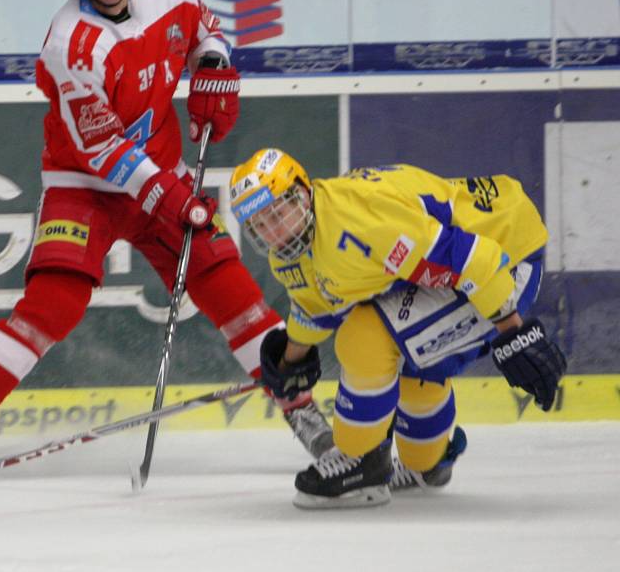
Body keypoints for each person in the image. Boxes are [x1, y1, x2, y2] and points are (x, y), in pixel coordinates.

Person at [0, 0, 333, 465]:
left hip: (162, 176)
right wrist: (167, 195)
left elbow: (208, 32)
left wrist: (212, 68)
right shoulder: (72, 46)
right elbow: (102, 150)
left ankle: (303, 411)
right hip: (85, 188)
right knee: (54, 303)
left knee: (231, 290)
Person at [229, 149, 567, 509]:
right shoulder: (290, 253)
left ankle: (362, 460)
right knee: (414, 363)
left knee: (366, 337)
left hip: (507, 257)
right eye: (259, 226)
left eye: (278, 213)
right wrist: (288, 363)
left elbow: (475, 259)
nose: (274, 232)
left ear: (302, 192)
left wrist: (514, 333)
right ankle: (430, 464)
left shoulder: (360, 223)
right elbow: (318, 305)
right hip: (472, 262)